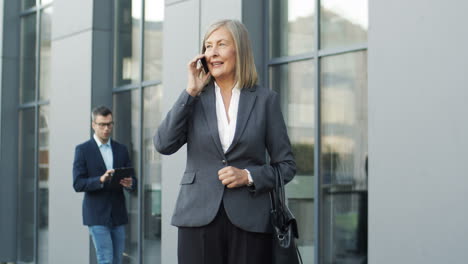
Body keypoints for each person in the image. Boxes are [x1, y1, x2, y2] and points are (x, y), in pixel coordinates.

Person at [154, 19, 296, 264]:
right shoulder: (194, 99)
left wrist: (248, 176)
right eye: (208, 46)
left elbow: (286, 166)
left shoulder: (265, 100)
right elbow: (163, 144)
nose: (213, 53)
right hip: (197, 216)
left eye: (221, 44)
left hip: (250, 219)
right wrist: (189, 93)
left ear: (239, 50)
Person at [73, 106, 137, 264]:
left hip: (118, 214)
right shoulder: (83, 150)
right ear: (93, 125)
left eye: (109, 124)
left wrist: (130, 183)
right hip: (97, 214)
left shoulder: (121, 149)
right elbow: (78, 183)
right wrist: (100, 180)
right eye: (102, 124)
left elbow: (133, 181)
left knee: (117, 260)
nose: (106, 128)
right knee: (105, 259)